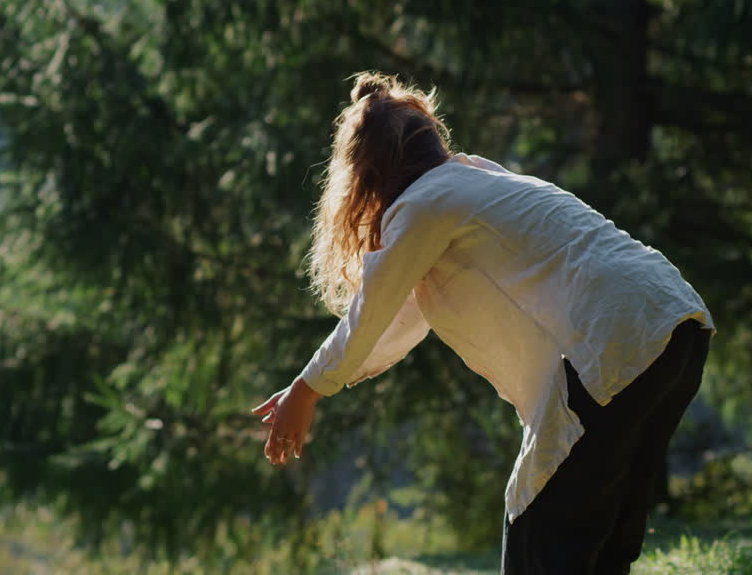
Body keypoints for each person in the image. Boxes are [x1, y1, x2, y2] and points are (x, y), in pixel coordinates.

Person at [252, 72, 714, 574]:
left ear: (367, 175)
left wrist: (311, 387)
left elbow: (373, 310)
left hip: (615, 342)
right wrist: (312, 385)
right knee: (602, 542)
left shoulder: (425, 204)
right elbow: (399, 318)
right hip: (673, 324)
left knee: (540, 541)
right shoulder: (474, 182)